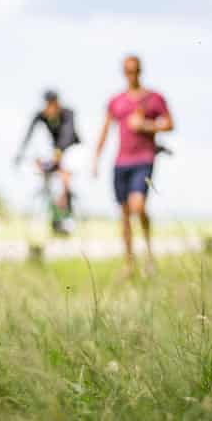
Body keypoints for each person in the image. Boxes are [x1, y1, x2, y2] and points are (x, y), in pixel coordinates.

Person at [93, 55, 173, 276]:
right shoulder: (116, 101)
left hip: (143, 159)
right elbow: (105, 129)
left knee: (138, 206)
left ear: (140, 71)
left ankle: (148, 254)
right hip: (121, 161)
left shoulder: (154, 98)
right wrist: (96, 157)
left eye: (135, 70)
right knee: (125, 214)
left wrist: (145, 125)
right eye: (128, 71)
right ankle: (129, 264)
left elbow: (169, 123)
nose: (132, 75)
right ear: (123, 73)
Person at [14, 90, 80, 234]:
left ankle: (67, 213)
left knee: (65, 174)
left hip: (71, 148)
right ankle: (54, 219)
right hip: (55, 150)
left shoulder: (68, 113)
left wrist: (59, 153)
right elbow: (29, 134)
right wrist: (20, 154)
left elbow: (68, 134)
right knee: (46, 181)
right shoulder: (41, 116)